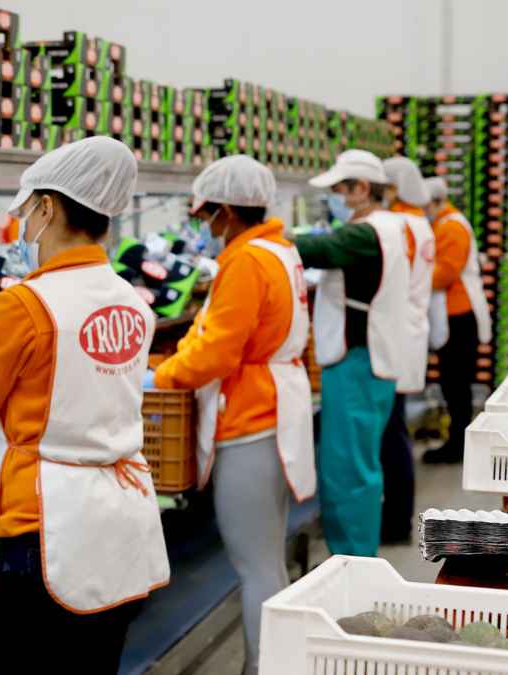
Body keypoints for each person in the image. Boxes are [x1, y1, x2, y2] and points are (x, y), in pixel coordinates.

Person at [0, 136, 169, 673]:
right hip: (120, 519)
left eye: (27, 212)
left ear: (47, 208)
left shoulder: (25, 305)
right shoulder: (129, 301)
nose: (24, 228)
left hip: (42, 530)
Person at [150, 155, 315, 675]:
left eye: (205, 218)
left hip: (252, 420)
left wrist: (159, 377)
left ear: (225, 211)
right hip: (274, 408)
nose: (204, 229)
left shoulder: (245, 261)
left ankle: (264, 668)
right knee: (266, 559)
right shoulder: (278, 250)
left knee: (257, 567)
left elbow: (217, 352)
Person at [296, 150, 410, 557]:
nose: (337, 198)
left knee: (349, 470)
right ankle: (353, 557)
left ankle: (353, 563)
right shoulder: (387, 227)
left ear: (362, 189)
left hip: (357, 362)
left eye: (340, 190)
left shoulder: (367, 233)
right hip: (365, 361)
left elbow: (315, 250)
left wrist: (264, 233)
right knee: (355, 464)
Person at [378, 156, 435, 544]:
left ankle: (396, 523)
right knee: (394, 431)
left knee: (391, 433)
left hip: (397, 335)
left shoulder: (400, 225)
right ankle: (397, 518)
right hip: (409, 332)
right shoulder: (420, 223)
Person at [422, 176, 493, 463]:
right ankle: (457, 443)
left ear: (437, 201)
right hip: (453, 315)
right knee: (453, 383)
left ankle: (458, 446)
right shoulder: (443, 224)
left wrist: (410, 279)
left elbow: (444, 274)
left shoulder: (451, 226)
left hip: (459, 317)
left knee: (456, 384)